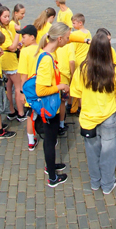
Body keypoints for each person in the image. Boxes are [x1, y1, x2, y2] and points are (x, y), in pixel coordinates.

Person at [70, 31, 116, 194]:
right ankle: (107, 184)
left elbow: (78, 95)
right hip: (109, 117)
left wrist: (84, 110)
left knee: (92, 152)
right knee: (109, 153)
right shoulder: (113, 70)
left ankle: (95, 182)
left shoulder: (82, 69)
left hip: (88, 117)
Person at [35, 22, 72, 187]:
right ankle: (52, 177)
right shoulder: (46, 60)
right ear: (59, 38)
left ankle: (50, 165)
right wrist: (61, 86)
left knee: (51, 139)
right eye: (67, 38)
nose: (68, 40)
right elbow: (40, 90)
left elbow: (72, 37)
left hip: (53, 105)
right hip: (49, 108)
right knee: (50, 141)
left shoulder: (51, 52)